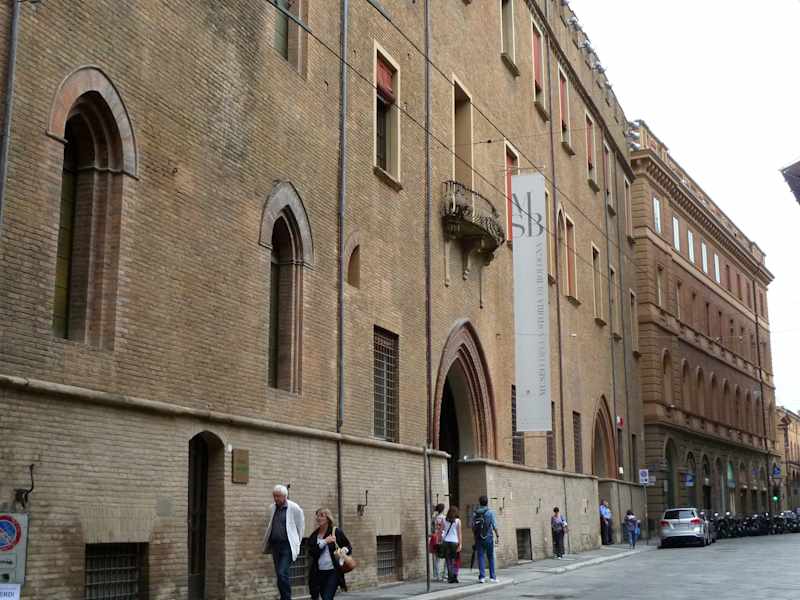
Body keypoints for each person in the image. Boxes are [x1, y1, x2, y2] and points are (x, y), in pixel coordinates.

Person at [262, 484, 305, 600]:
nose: (276, 499)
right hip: (275, 545)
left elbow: (300, 527)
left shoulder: (294, 508)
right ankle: (283, 597)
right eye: (274, 496)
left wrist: (297, 543)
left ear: (285, 496)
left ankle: (287, 597)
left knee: (282, 572)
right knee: (279, 575)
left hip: (287, 546)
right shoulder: (272, 508)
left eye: (278, 496)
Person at [307, 508, 352, 600]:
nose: (318, 518)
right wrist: (324, 542)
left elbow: (348, 546)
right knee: (323, 596)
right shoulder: (314, 535)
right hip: (318, 572)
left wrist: (344, 550)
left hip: (333, 572)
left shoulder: (335, 532)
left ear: (328, 518)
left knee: (327, 597)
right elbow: (311, 552)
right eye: (317, 516)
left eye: (321, 516)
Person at [472, 496, 500, 583]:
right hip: (489, 537)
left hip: (479, 537)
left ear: (479, 502)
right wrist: (497, 536)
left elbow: (473, 526)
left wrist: (475, 536)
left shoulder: (475, 513)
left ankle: (482, 577)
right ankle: (492, 577)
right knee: (490, 557)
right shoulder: (490, 512)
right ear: (487, 502)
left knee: (480, 557)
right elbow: (494, 525)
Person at [441, 506, 462, 584]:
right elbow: (459, 534)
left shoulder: (444, 520)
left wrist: (440, 539)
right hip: (454, 542)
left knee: (448, 561)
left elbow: (441, 530)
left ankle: (450, 577)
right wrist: (460, 544)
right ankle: (455, 576)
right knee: (455, 560)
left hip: (446, 542)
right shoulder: (458, 521)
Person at [430, 503, 446, 581]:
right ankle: (443, 575)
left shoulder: (434, 518)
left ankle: (437, 575)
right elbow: (445, 528)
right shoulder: (444, 518)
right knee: (444, 557)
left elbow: (432, 528)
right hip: (442, 537)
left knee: (436, 558)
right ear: (443, 509)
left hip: (435, 538)